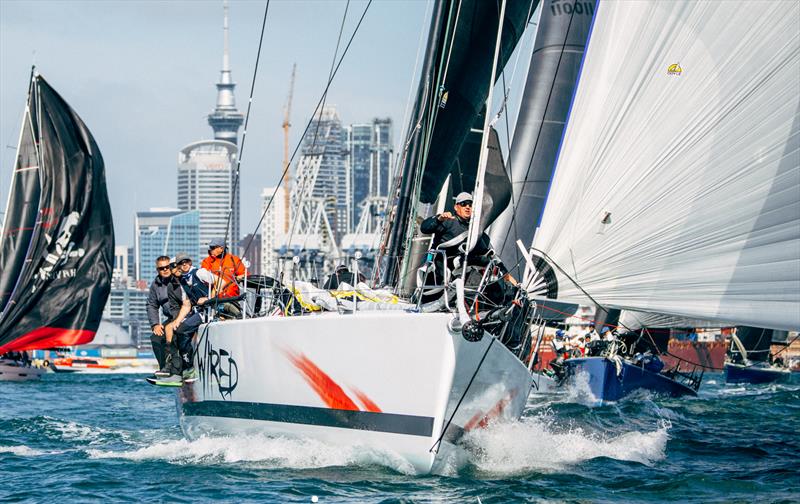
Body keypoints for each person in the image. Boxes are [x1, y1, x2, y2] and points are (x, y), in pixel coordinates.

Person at [419, 191, 517, 287]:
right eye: (463, 204)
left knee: (487, 267)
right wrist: (438, 219)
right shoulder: (447, 222)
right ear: (456, 207)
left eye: (470, 204)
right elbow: (424, 228)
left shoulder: (477, 231)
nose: (467, 207)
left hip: (468, 278)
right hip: (441, 274)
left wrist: (507, 276)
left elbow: (491, 257)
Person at [154, 259, 203, 385]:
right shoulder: (172, 286)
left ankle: (185, 369)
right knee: (165, 332)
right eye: (173, 268)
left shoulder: (189, 279)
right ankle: (171, 368)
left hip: (196, 312)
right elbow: (175, 307)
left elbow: (190, 303)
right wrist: (175, 320)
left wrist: (178, 321)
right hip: (183, 313)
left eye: (177, 267)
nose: (176, 270)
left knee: (177, 330)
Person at [146, 255, 174, 373]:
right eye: (161, 268)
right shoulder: (155, 285)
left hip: (184, 315)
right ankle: (164, 368)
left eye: (167, 267)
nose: (165, 270)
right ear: (157, 270)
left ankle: (180, 367)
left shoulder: (178, 279)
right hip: (170, 317)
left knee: (176, 335)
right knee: (156, 338)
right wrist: (155, 324)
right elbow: (151, 305)